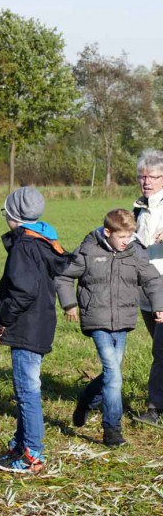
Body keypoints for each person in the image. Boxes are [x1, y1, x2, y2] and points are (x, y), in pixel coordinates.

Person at [56, 209, 163, 447]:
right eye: (122, 236)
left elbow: (154, 280)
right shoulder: (89, 249)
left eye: (130, 235)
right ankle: (112, 429)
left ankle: (87, 398)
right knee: (114, 376)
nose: (127, 241)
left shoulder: (135, 251)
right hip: (97, 320)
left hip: (122, 321)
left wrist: (159, 305)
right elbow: (64, 276)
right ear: (108, 232)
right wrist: (69, 304)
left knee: (111, 373)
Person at [0, 186, 71, 473]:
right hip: (39, 323)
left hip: (28, 326)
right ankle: (21, 443)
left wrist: (3, 315)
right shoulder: (40, 241)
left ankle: (32, 454)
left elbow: (22, 291)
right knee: (25, 389)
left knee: (27, 391)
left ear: (13, 215)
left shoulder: (24, 246)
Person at [131, 150, 163, 425]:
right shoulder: (138, 206)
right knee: (159, 345)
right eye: (142, 176)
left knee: (161, 348)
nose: (147, 181)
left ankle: (154, 407)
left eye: (152, 176)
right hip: (144, 288)